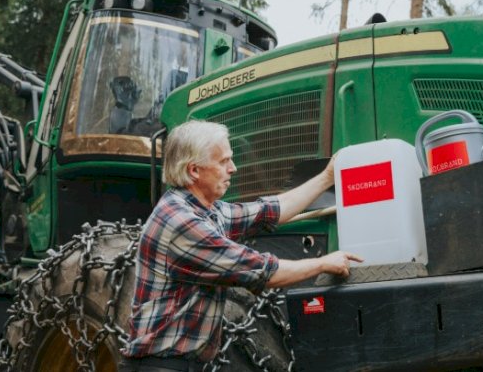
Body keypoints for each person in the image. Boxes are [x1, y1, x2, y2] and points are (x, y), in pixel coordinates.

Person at [119, 120, 362, 371]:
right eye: (224, 161)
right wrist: (324, 262)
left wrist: (327, 177)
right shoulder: (182, 222)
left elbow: (269, 211)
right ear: (194, 171)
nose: (233, 169)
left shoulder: (206, 210)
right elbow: (264, 271)